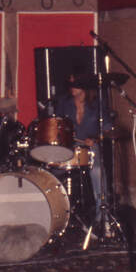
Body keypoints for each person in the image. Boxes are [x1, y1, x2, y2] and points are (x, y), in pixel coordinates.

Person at [53, 68, 114, 224]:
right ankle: (58, 213)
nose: (72, 87)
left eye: (76, 84)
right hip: (69, 145)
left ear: (85, 86)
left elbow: (107, 130)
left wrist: (95, 139)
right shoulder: (63, 103)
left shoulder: (97, 105)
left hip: (90, 147)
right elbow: (56, 125)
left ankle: (103, 216)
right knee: (53, 169)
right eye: (71, 83)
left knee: (98, 171)